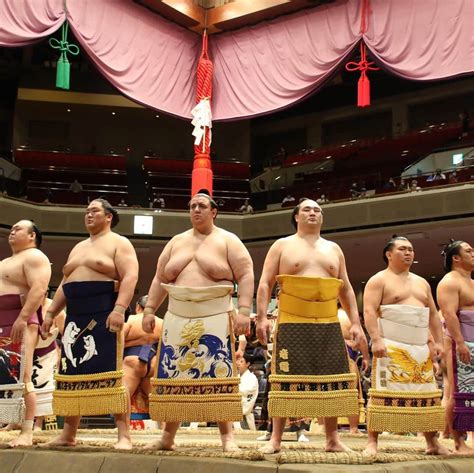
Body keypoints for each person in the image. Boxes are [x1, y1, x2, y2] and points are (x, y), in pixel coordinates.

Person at [141, 190, 254, 452]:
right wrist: (149, 310)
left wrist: (245, 310)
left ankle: (228, 438)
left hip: (215, 314)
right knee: (175, 377)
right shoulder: (176, 242)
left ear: (213, 211)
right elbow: (160, 279)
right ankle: (168, 437)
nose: (196, 210)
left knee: (220, 377)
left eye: (202, 206)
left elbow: (246, 275)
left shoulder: (228, 240)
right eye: (192, 206)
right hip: (177, 315)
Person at [256, 198, 367, 454]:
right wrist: (261, 317)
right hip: (292, 319)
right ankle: (276, 439)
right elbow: (265, 283)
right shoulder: (282, 245)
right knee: (285, 377)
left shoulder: (334, 249)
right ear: (296, 216)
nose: (313, 213)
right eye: (307, 209)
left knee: (331, 378)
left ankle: (332, 439)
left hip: (328, 322)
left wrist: (356, 323)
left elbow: (346, 288)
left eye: (317, 210)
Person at [40, 198, 139, 450]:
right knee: (73, 373)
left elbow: (130, 276)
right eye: (86, 211)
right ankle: (68, 433)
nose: (88, 215)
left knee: (112, 374)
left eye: (94, 210)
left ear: (109, 216)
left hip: (104, 312)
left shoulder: (119, 243)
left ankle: (124, 435)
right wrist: (51, 312)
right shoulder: (78, 247)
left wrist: (119, 309)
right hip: (75, 315)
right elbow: (65, 283)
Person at [363, 236, 448, 456]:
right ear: (389, 254)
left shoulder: (422, 282)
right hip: (390, 344)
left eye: (410, 249)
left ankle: (432, 442)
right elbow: (370, 311)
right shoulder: (378, 280)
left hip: (420, 345)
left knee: (427, 393)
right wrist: (376, 339)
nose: (408, 252)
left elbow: (431, 316)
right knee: (381, 392)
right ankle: (372, 441)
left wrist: (437, 341)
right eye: (402, 249)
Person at [0, 220, 51, 447]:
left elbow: (39, 289)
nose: (12, 231)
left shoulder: (34, 257)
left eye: (18, 228)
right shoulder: (5, 261)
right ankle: (9, 420)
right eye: (12, 228)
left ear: (32, 236)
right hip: (2, 317)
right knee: (2, 373)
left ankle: (27, 432)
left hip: (19, 317)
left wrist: (23, 317)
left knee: (22, 373)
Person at [437, 239, 474, 454]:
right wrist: (460, 342)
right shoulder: (449, 281)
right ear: (456, 258)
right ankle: (458, 442)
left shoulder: (470, 281)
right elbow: (449, 314)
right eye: (469, 251)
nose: (473, 254)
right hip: (459, 342)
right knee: (455, 392)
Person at [123, 295, 162, 408]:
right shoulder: (161, 323)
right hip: (154, 363)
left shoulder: (130, 320)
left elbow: (118, 343)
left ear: (138, 307)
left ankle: (123, 426)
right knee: (158, 402)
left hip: (132, 361)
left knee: (123, 399)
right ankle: (166, 426)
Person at [234, 353, 259, 430]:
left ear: (247, 364)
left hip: (244, 412)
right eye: (238, 361)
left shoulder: (252, 377)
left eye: (241, 361)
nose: (238, 363)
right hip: (233, 412)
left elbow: (248, 391)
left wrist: (234, 389)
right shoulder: (235, 377)